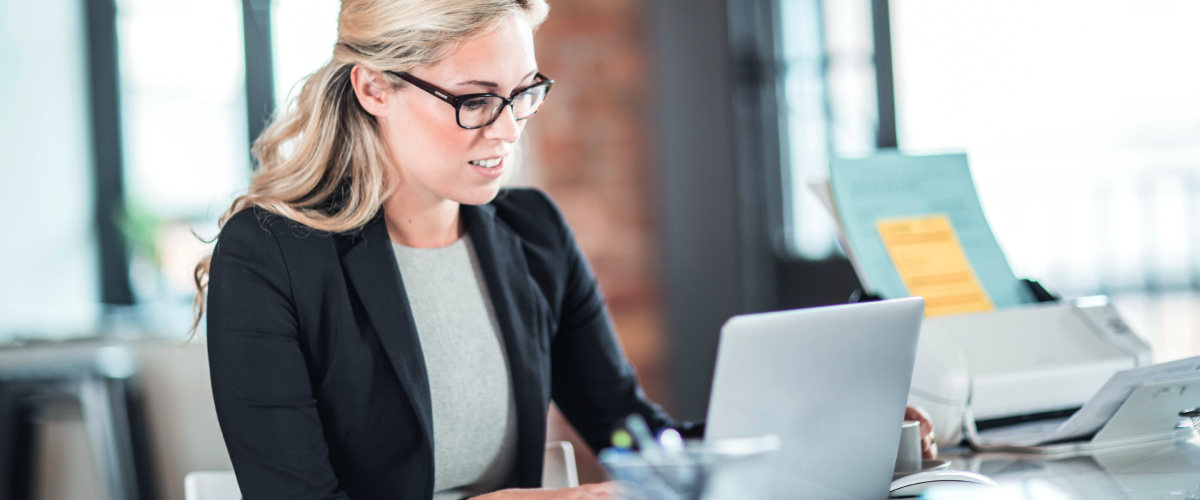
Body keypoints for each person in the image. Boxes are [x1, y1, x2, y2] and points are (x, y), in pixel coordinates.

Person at [192, 1, 934, 499]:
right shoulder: (267, 261)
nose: (509, 128)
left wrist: (826, 426)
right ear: (374, 88)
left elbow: (628, 432)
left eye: (524, 93)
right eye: (474, 100)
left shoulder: (532, 233)